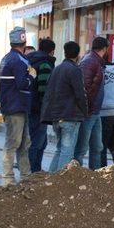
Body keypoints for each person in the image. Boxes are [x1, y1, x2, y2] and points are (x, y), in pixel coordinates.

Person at [41, 41, 88, 172]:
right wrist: (85, 112)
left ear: (65, 53)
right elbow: (80, 94)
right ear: (78, 55)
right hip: (70, 116)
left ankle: (51, 178)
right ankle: (59, 181)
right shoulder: (74, 70)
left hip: (56, 116)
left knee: (60, 149)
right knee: (67, 151)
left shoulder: (57, 69)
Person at [0, 27, 35, 185]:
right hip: (17, 107)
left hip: (12, 106)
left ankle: (26, 175)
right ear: (24, 42)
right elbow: (22, 83)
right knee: (14, 143)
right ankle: (8, 178)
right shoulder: (20, 60)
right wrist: (32, 76)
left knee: (21, 143)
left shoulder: (7, 58)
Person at [74, 36, 108, 169]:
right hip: (89, 112)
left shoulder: (94, 61)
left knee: (97, 146)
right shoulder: (90, 61)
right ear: (105, 49)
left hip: (95, 111)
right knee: (81, 148)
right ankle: (74, 176)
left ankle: (95, 175)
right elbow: (84, 88)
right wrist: (86, 110)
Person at [25, 39, 56, 172]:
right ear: (52, 51)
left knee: (39, 141)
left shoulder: (30, 60)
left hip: (29, 104)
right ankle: (33, 170)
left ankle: (35, 169)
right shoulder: (44, 64)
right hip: (39, 108)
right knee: (37, 141)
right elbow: (44, 89)